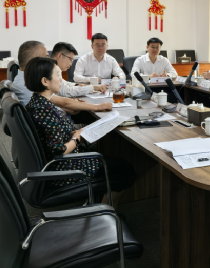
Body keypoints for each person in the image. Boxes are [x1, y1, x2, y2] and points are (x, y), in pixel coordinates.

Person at [24, 57, 136, 207]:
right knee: (126, 170)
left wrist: (74, 133)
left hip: (61, 163)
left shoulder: (38, 102)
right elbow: (59, 151)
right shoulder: (44, 111)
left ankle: (102, 209)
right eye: (57, 75)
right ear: (45, 81)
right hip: (64, 168)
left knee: (116, 162)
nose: (61, 79)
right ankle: (104, 212)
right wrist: (77, 139)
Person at [12, 41, 114, 115]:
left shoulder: (25, 78)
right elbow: (63, 101)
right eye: (46, 57)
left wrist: (66, 107)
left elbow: (54, 101)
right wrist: (97, 106)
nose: (49, 60)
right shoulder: (27, 83)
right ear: (35, 61)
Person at [12, 40, 48, 105]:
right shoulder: (28, 86)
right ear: (33, 62)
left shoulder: (24, 80)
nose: (49, 62)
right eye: (46, 58)